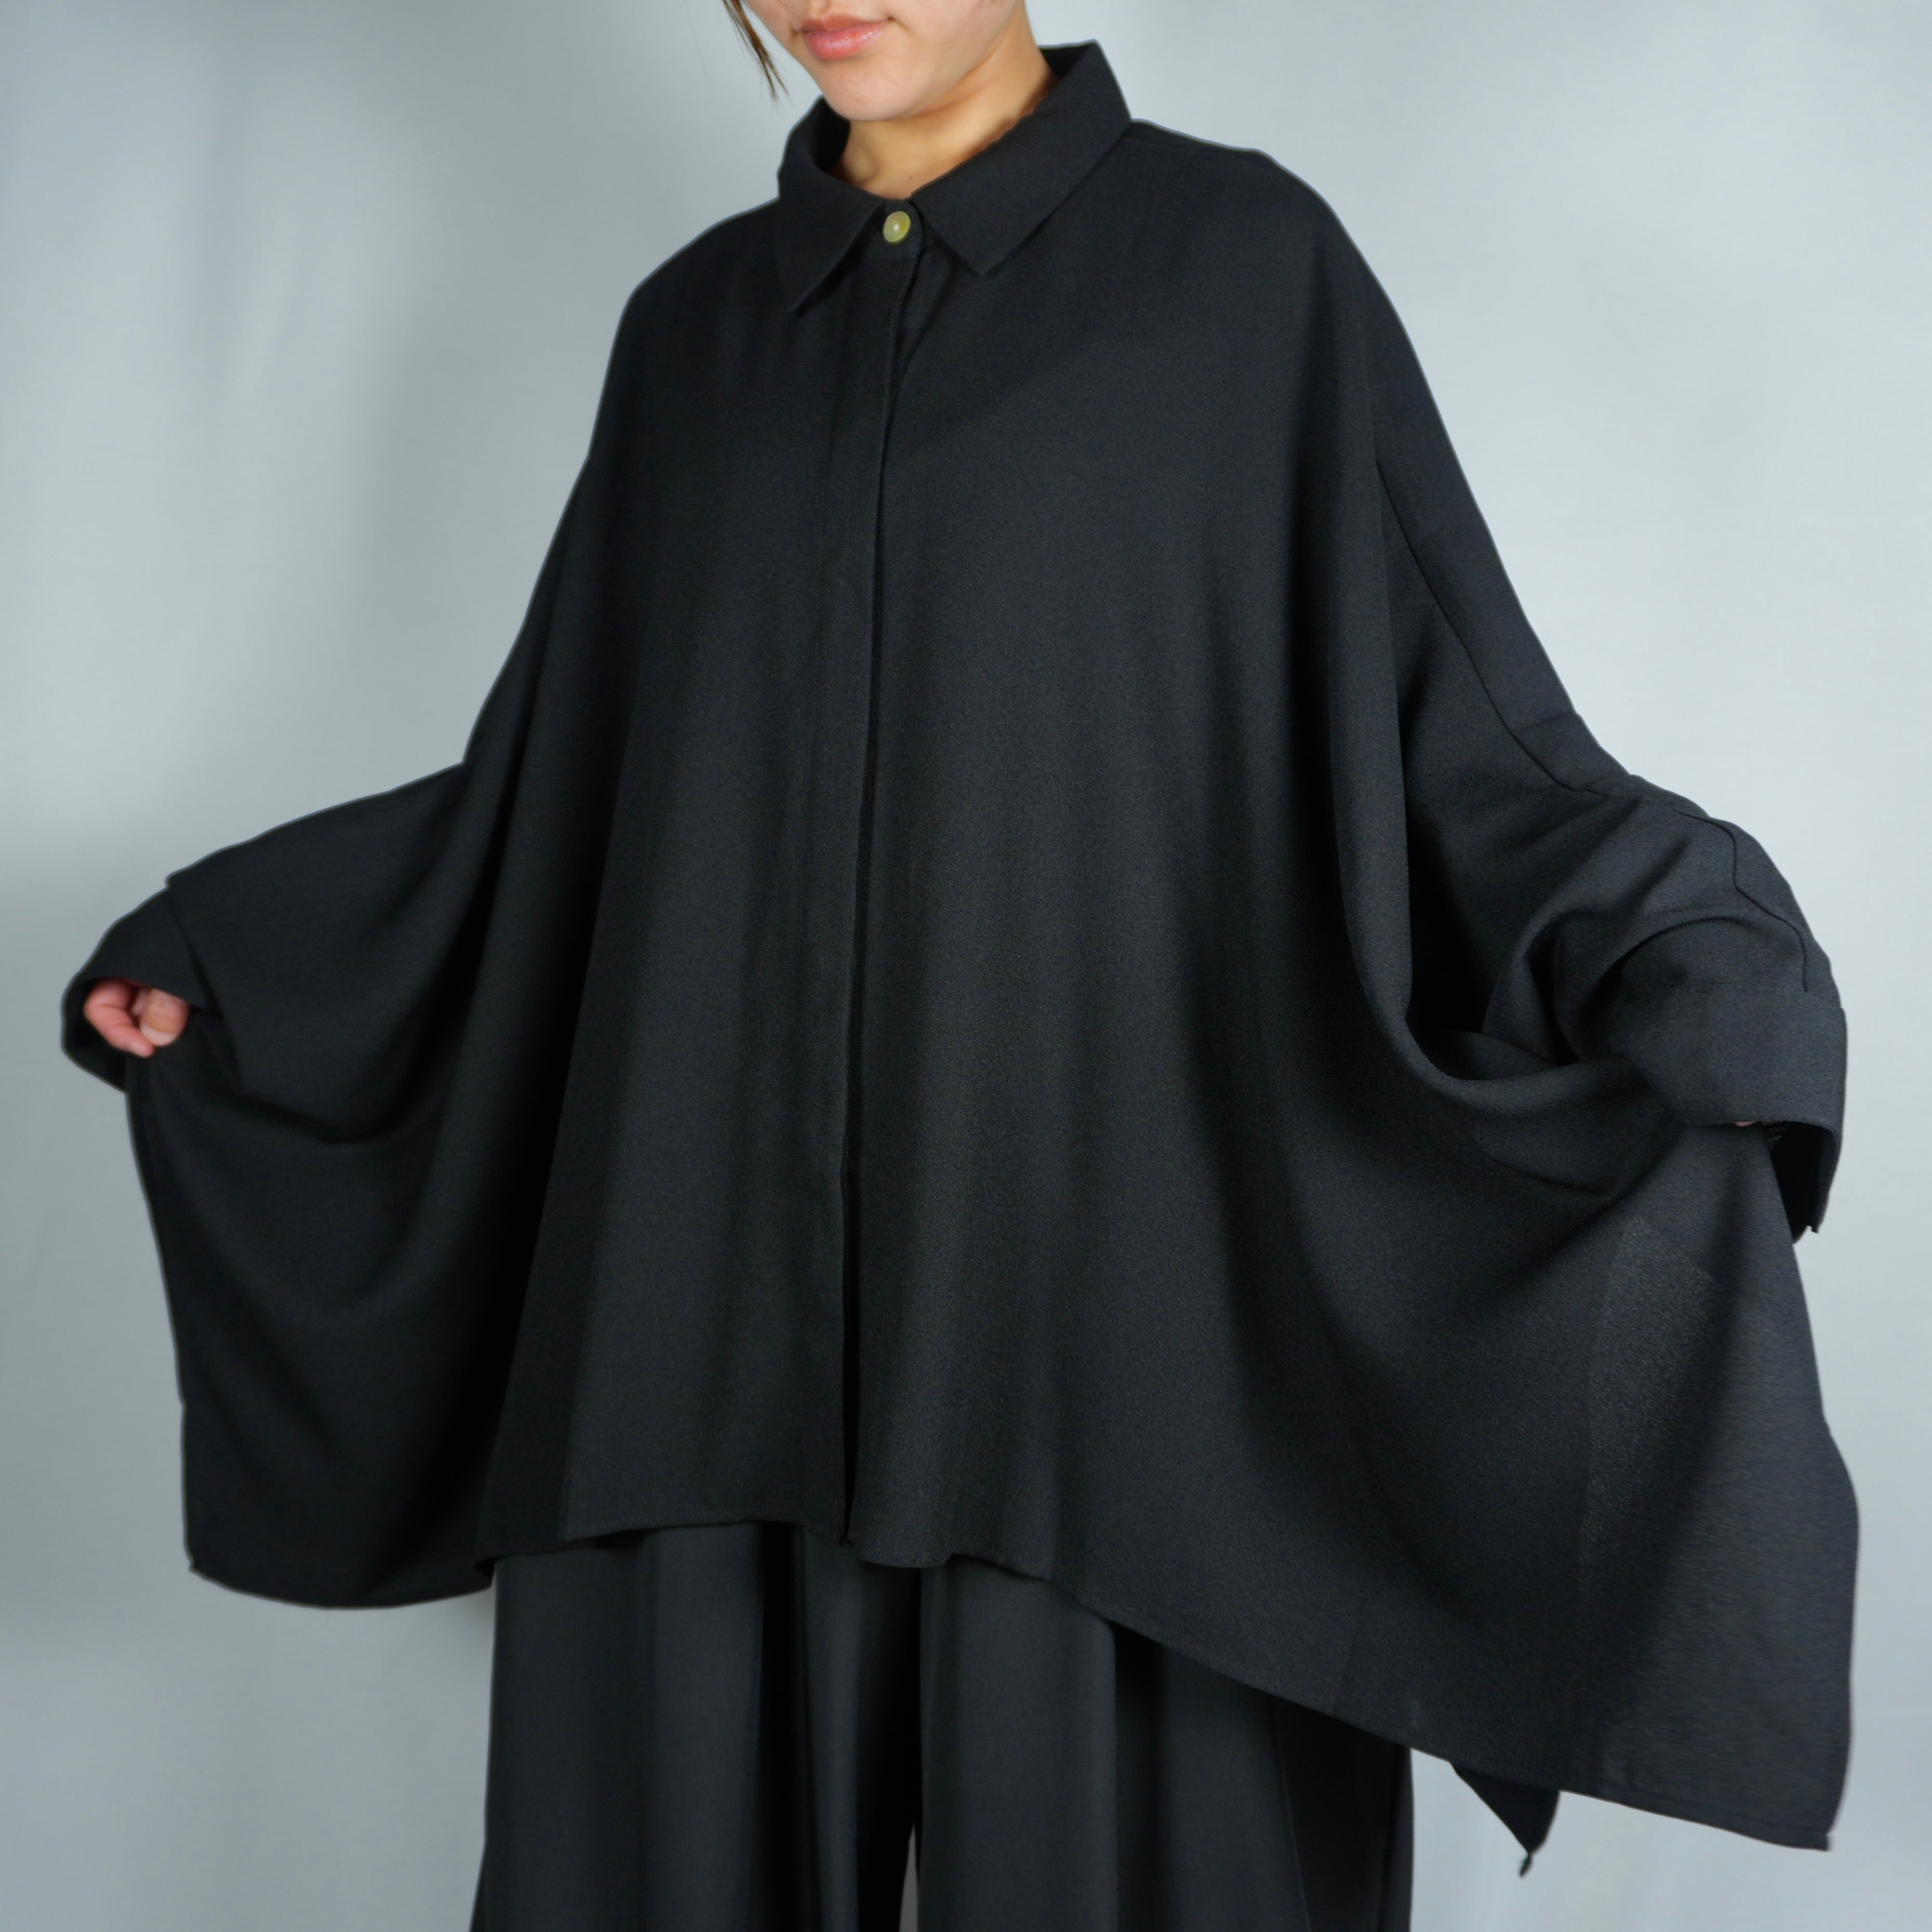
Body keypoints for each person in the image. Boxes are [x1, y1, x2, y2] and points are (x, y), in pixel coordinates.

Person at [67, 5, 1855, 1928]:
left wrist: (1692, 957)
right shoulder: (695, 331)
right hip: (696, 1329)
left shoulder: (1240, 271)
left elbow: (1468, 732)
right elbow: (560, 794)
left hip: (1128, 1353)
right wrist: (252, 969)